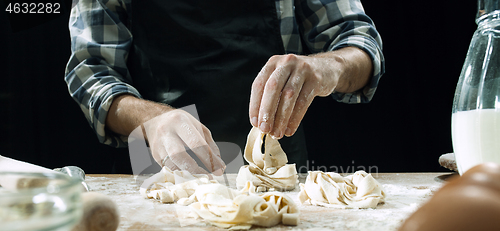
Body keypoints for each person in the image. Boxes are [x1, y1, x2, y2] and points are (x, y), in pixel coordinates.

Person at [65, 0, 384, 175]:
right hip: (162, 171)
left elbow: (359, 42)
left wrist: (329, 66)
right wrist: (149, 120)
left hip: (277, 169)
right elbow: (91, 71)